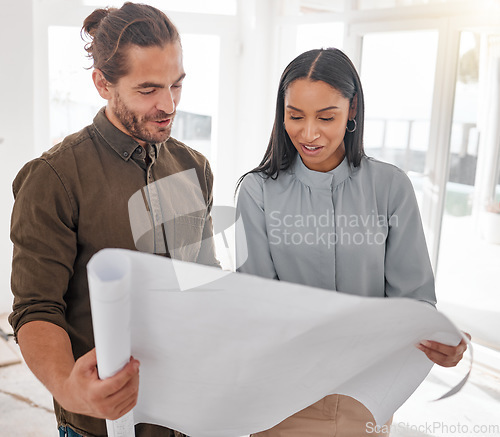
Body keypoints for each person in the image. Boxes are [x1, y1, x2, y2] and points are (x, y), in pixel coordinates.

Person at [9, 3, 219, 436]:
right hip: (98, 427)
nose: (168, 105)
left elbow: (203, 280)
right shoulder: (54, 178)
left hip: (185, 418)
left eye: (176, 85)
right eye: (147, 90)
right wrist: (70, 390)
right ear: (102, 83)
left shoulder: (194, 169)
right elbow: (36, 309)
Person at [235, 48, 469, 437]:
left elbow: (415, 301)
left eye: (326, 117)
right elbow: (256, 303)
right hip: (281, 396)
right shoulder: (256, 191)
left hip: (366, 394)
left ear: (352, 109)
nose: (309, 133)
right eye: (295, 116)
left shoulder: (391, 187)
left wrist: (440, 337)